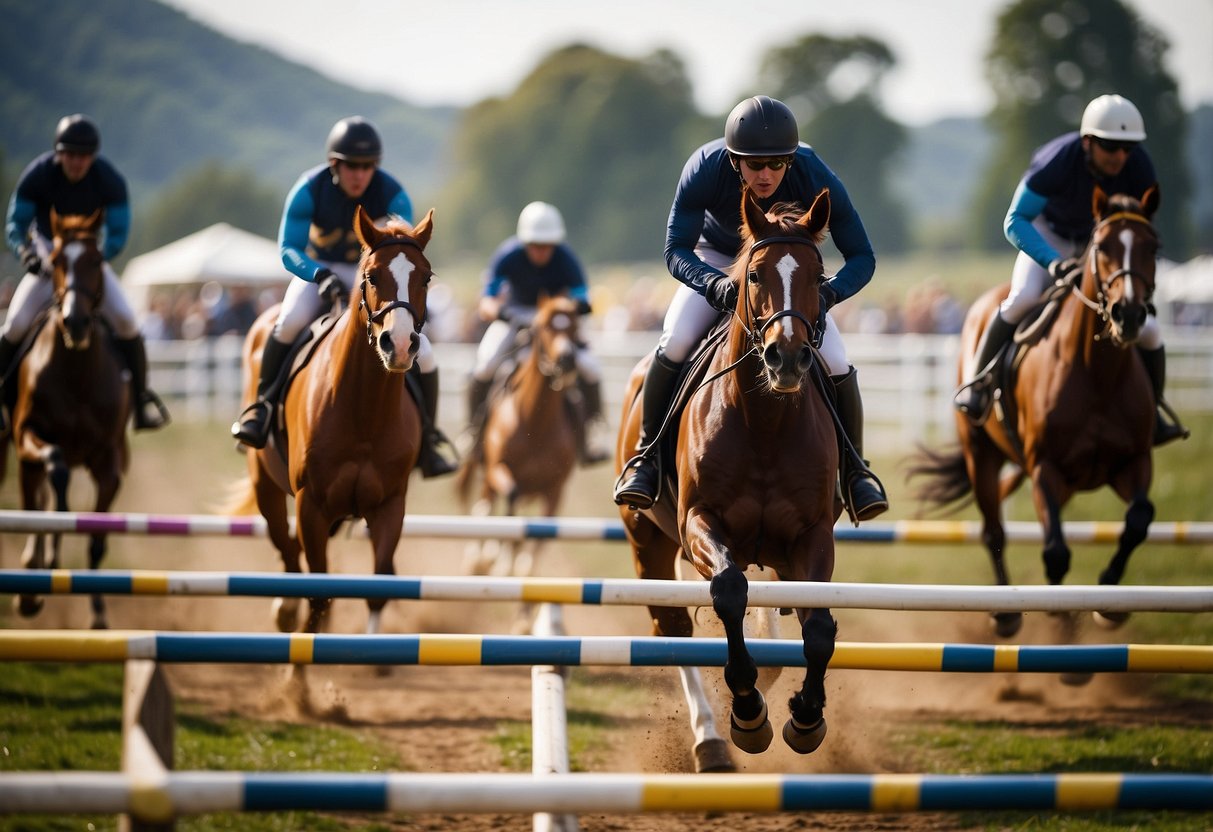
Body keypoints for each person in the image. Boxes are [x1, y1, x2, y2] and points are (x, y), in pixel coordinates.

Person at [612, 95, 888, 520]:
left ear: (790, 160)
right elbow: (675, 249)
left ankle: (855, 472)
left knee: (835, 359)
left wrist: (827, 294)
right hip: (717, 259)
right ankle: (647, 458)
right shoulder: (705, 167)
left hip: (785, 269)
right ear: (733, 159)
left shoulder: (813, 172)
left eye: (777, 164)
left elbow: (863, 257)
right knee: (677, 339)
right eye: (754, 165)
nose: (766, 175)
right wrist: (714, 284)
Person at [954, 94, 1189, 446]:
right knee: (1024, 297)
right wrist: (1052, 260)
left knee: (1151, 332)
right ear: (1087, 142)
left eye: (1128, 148)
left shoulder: (1139, 167)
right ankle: (975, 386)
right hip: (1051, 235)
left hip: (1103, 246)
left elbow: (1140, 237)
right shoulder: (1057, 161)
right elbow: (1014, 220)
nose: (1121, 157)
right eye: (1111, 147)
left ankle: (1152, 413)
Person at [231, 116, 458, 476]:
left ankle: (427, 439)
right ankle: (261, 409)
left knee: (424, 351)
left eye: (367, 167)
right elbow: (289, 248)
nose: (360, 174)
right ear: (335, 164)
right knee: (288, 322)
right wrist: (319, 275)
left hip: (370, 273)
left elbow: (399, 249)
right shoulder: (309, 189)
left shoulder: (392, 192)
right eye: (352, 166)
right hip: (317, 268)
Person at [2, 114, 169, 432]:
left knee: (128, 322)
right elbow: (16, 224)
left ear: (93, 156)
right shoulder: (38, 175)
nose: (77, 162)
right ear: (58, 153)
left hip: (89, 258)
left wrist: (95, 258)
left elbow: (118, 232)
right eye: (70, 154)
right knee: (16, 323)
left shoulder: (109, 180)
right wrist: (25, 252)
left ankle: (141, 401)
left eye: (83, 156)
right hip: (47, 257)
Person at [465, 201, 608, 465]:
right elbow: (486, 302)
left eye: (547, 246)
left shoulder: (566, 259)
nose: (542, 252)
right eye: (535, 245)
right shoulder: (507, 255)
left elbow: (583, 298)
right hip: (515, 316)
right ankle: (473, 432)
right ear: (524, 242)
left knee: (591, 368)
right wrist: (506, 315)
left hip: (554, 321)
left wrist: (561, 310)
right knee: (485, 365)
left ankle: (591, 433)